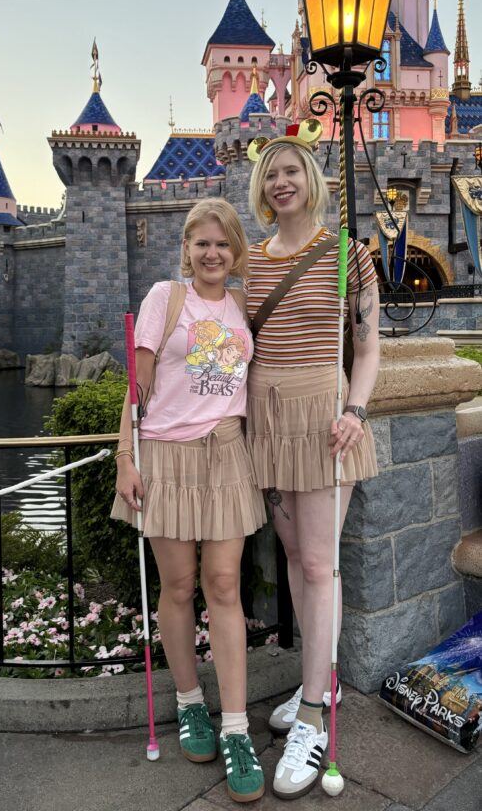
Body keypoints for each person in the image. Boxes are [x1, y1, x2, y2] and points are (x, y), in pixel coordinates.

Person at [112, 197, 267, 804]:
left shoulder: (240, 306)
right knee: (178, 587)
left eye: (223, 243)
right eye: (202, 243)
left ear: (235, 252)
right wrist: (126, 456)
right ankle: (188, 703)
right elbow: (137, 388)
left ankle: (235, 730)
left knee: (223, 584)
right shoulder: (164, 299)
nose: (213, 253)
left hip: (226, 453)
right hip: (167, 456)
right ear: (187, 248)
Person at [245, 127, 380, 800]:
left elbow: (369, 346)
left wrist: (355, 411)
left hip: (325, 420)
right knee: (297, 559)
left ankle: (318, 715)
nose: (282, 183)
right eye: (272, 174)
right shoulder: (250, 262)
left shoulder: (349, 258)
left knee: (320, 564)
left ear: (312, 180)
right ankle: (314, 681)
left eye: (292, 171)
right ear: (261, 188)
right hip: (268, 420)